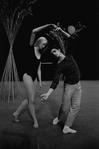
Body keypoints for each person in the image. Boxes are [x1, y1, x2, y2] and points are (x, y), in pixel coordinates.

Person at [40, 24, 82, 134]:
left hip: (78, 86)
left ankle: (67, 127)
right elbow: (55, 81)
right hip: (69, 87)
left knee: (75, 107)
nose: (53, 54)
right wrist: (47, 94)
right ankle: (59, 118)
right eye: (52, 54)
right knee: (64, 108)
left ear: (58, 50)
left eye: (54, 51)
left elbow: (71, 39)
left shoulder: (69, 54)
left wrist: (60, 30)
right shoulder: (59, 66)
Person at [13, 36, 48, 128]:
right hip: (27, 76)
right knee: (32, 100)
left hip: (34, 78)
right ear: (39, 42)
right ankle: (35, 120)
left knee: (29, 99)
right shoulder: (30, 48)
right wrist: (46, 25)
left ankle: (16, 113)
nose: (44, 46)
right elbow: (33, 31)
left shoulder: (41, 54)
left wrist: (40, 81)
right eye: (44, 44)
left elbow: (39, 69)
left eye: (45, 45)